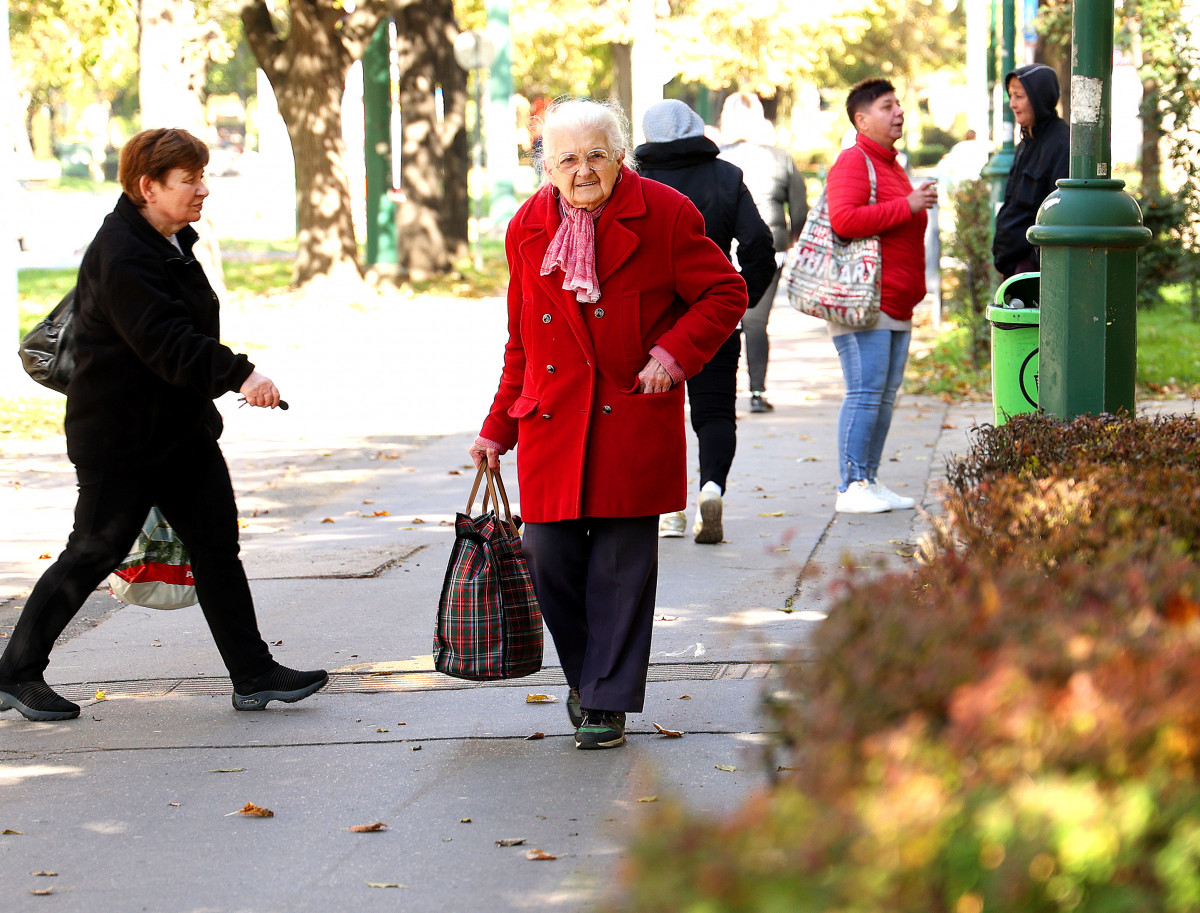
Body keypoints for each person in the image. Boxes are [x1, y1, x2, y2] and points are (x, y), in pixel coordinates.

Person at [0, 128, 328, 722]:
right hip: (121, 438)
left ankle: (254, 674)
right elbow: (166, 340)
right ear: (148, 187)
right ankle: (15, 672)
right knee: (93, 551)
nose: (203, 189)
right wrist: (241, 375)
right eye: (189, 180)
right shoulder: (123, 252)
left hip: (179, 432)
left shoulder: (169, 240)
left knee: (216, 547)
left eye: (202, 177)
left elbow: (182, 332)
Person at [468, 99, 747, 750]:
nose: (583, 169)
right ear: (546, 167)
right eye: (567, 158)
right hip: (552, 420)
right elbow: (521, 340)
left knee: (621, 571)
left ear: (621, 156)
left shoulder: (666, 214)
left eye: (596, 154)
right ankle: (590, 677)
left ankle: (605, 701)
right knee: (548, 558)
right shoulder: (526, 226)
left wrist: (672, 355)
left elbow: (724, 291)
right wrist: (496, 427)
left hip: (630, 415)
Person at [636, 99, 775, 544]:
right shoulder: (726, 176)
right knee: (715, 411)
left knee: (654, 414)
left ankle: (669, 511)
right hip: (712, 315)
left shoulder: (634, 182)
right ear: (697, 127)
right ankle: (711, 489)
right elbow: (759, 246)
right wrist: (738, 301)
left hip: (648, 322)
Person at [825, 79, 937, 514]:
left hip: (896, 302)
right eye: (887, 106)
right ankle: (851, 485)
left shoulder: (890, 164)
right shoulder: (854, 161)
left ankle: (868, 479)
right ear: (862, 119)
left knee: (883, 396)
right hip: (865, 302)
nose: (899, 113)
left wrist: (911, 202)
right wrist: (908, 205)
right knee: (865, 393)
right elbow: (844, 220)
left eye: (898, 105)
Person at [717, 91, 809, 414]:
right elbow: (799, 209)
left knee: (721, 319)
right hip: (770, 246)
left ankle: (721, 391)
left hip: (722, 247)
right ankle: (757, 392)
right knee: (756, 321)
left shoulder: (716, 158)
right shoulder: (781, 158)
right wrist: (792, 239)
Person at [992, 64, 1070, 280]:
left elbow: (1057, 215)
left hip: (1034, 272)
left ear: (1039, 97)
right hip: (1013, 267)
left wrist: (1031, 262)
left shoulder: (1061, 144)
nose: (1013, 104)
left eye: (1019, 96)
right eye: (1011, 96)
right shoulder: (1027, 142)